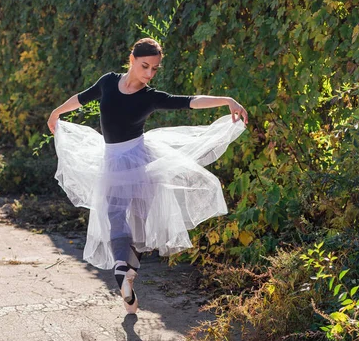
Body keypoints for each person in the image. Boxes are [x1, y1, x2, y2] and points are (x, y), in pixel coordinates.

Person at [47, 38, 247, 314]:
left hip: (141, 161)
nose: (149, 74)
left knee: (137, 220)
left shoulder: (149, 96)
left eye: (154, 69)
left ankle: (126, 273)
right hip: (113, 159)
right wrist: (57, 112)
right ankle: (125, 274)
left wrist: (227, 100)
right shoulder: (107, 83)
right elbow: (81, 98)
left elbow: (188, 102)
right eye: (145, 66)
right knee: (116, 216)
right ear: (131, 59)